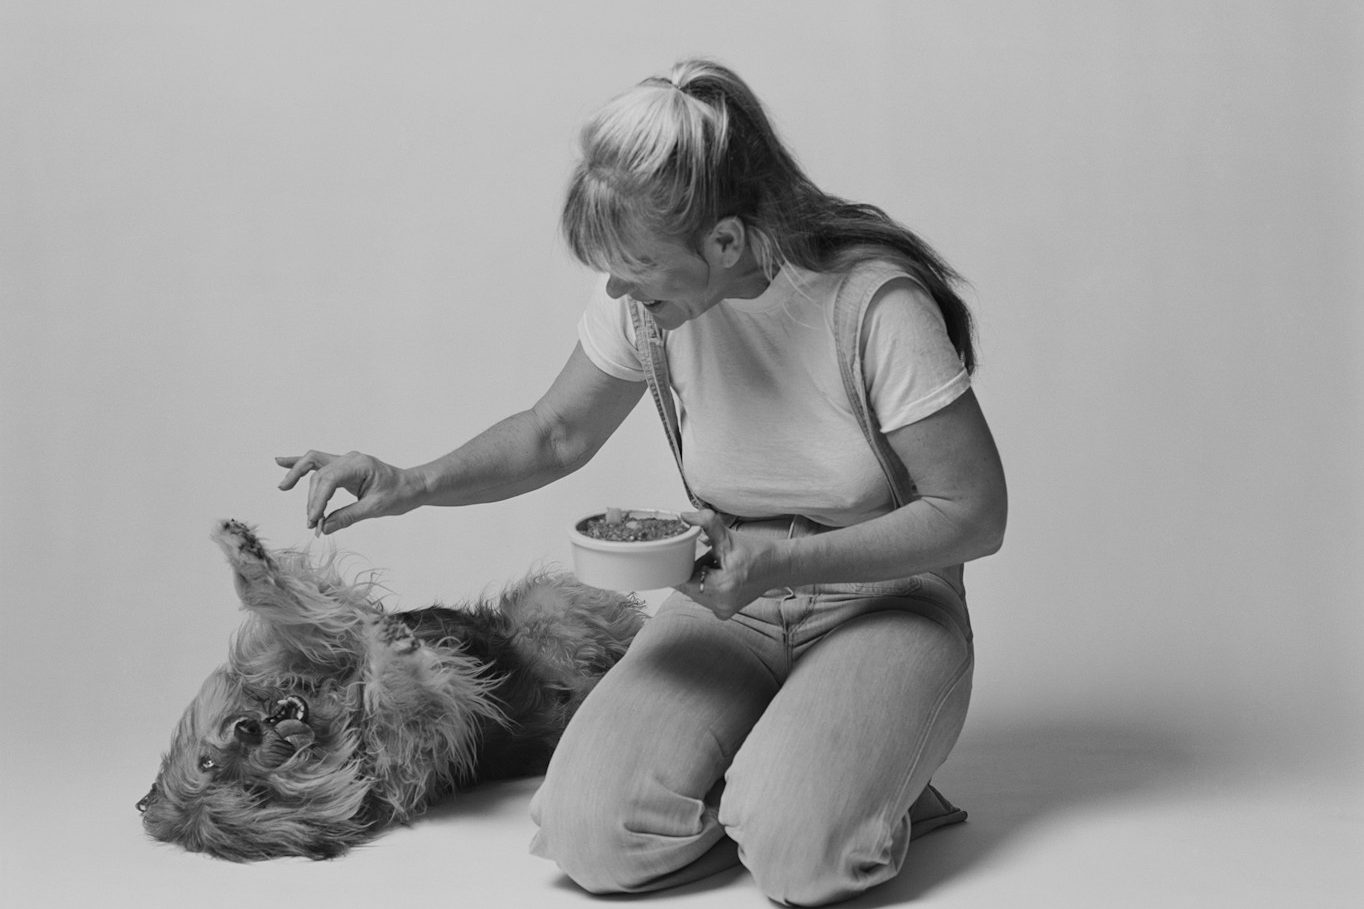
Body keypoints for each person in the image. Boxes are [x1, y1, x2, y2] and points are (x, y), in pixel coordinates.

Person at [277, 58, 1006, 907]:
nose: (617, 288)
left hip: (888, 600)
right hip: (731, 597)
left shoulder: (871, 306)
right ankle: (788, 773)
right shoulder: (647, 306)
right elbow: (555, 432)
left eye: (637, 266)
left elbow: (974, 511)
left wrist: (784, 565)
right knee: (585, 834)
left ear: (724, 242)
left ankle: (830, 792)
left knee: (799, 857)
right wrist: (413, 480)